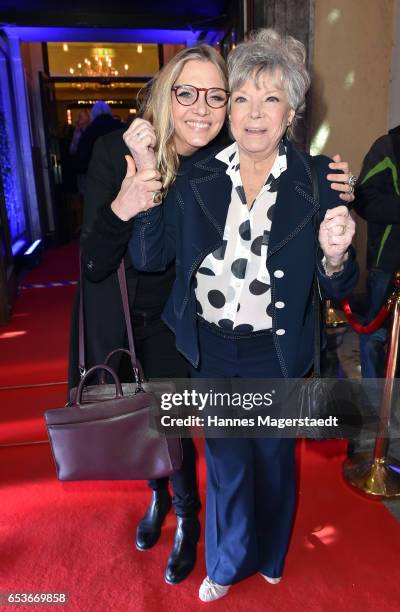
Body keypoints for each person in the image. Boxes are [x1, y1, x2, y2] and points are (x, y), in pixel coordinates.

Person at [70, 41, 355, 590]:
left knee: (274, 464)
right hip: (212, 347)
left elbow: (338, 281)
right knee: (226, 467)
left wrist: (337, 254)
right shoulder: (202, 174)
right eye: (242, 97)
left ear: (290, 113)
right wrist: (146, 190)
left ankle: (271, 556)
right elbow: (150, 257)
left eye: (270, 99)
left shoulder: (315, 177)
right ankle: (225, 565)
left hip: (276, 348)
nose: (252, 112)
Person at [353, 126, 400, 386]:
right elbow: (363, 198)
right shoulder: (388, 147)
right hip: (389, 263)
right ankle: (374, 402)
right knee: (376, 334)